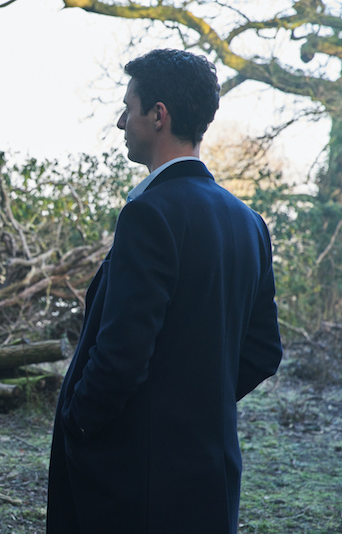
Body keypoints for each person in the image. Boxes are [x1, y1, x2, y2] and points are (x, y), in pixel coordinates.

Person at [46, 49, 283, 534]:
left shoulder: (149, 214)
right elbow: (263, 351)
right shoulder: (250, 223)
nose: (120, 122)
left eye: (128, 108)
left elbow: (122, 353)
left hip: (138, 484)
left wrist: (78, 419)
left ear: (158, 115)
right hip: (212, 477)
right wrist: (196, 404)